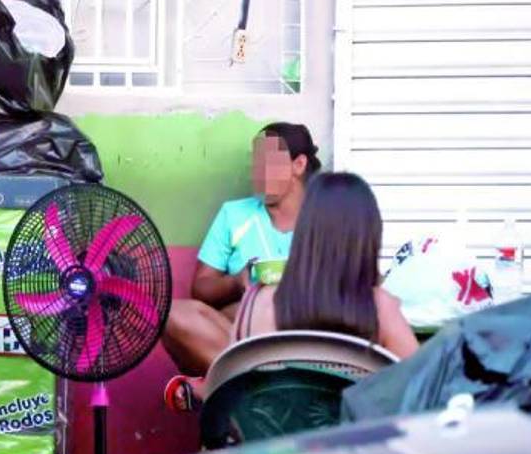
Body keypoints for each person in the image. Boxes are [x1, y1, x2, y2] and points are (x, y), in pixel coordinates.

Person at [172, 172, 419, 407]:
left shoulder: (258, 303)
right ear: (369, 236)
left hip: (268, 434)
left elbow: (238, 384)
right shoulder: (381, 308)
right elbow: (421, 386)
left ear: (304, 230)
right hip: (353, 435)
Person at [162, 122, 320, 409]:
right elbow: (201, 287)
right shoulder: (234, 215)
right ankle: (266, 390)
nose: (257, 172)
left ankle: (226, 389)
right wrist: (237, 283)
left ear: (298, 164)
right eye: (255, 163)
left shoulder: (326, 219)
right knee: (171, 314)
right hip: (239, 342)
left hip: (306, 346)